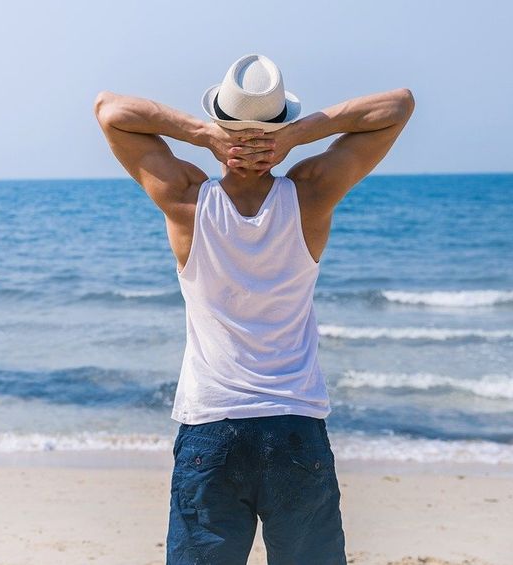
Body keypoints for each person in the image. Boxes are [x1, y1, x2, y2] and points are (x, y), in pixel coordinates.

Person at [93, 54, 415, 565]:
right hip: (294, 425)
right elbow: (398, 106)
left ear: (220, 125)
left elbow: (110, 110)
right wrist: (299, 135)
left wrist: (200, 133)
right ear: (282, 122)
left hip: (211, 427)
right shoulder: (311, 194)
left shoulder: (186, 199)